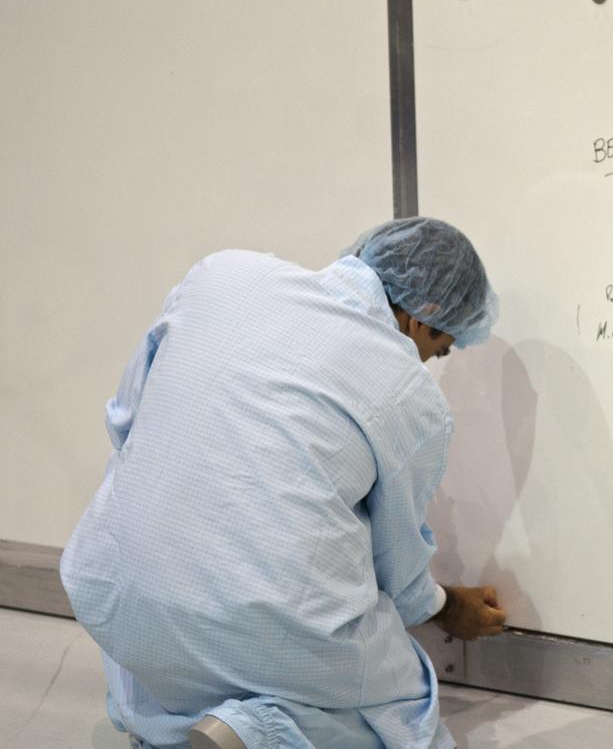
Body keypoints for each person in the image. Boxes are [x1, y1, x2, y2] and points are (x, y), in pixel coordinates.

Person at [59, 217, 507, 749]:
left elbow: (124, 422)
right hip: (254, 625)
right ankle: (254, 730)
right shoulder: (410, 394)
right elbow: (397, 566)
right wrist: (445, 606)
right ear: (425, 316)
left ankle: (165, 728)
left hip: (108, 585)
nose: (431, 362)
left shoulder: (222, 275)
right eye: (443, 348)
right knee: (405, 707)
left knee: (168, 656)